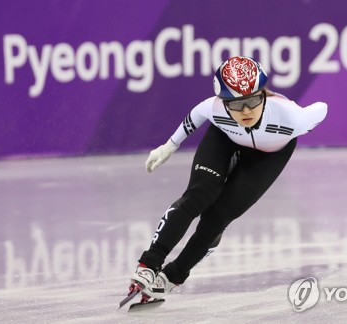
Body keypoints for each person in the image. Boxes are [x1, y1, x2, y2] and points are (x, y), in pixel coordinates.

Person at [127, 56, 327, 301]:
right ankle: (149, 265)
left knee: (218, 217)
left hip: (268, 156)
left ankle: (172, 277)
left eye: (252, 100)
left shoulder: (292, 118)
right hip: (224, 138)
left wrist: (307, 120)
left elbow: (322, 108)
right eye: (234, 104)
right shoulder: (216, 108)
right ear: (223, 102)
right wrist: (169, 146)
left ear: (264, 93)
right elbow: (196, 115)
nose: (245, 111)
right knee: (199, 195)